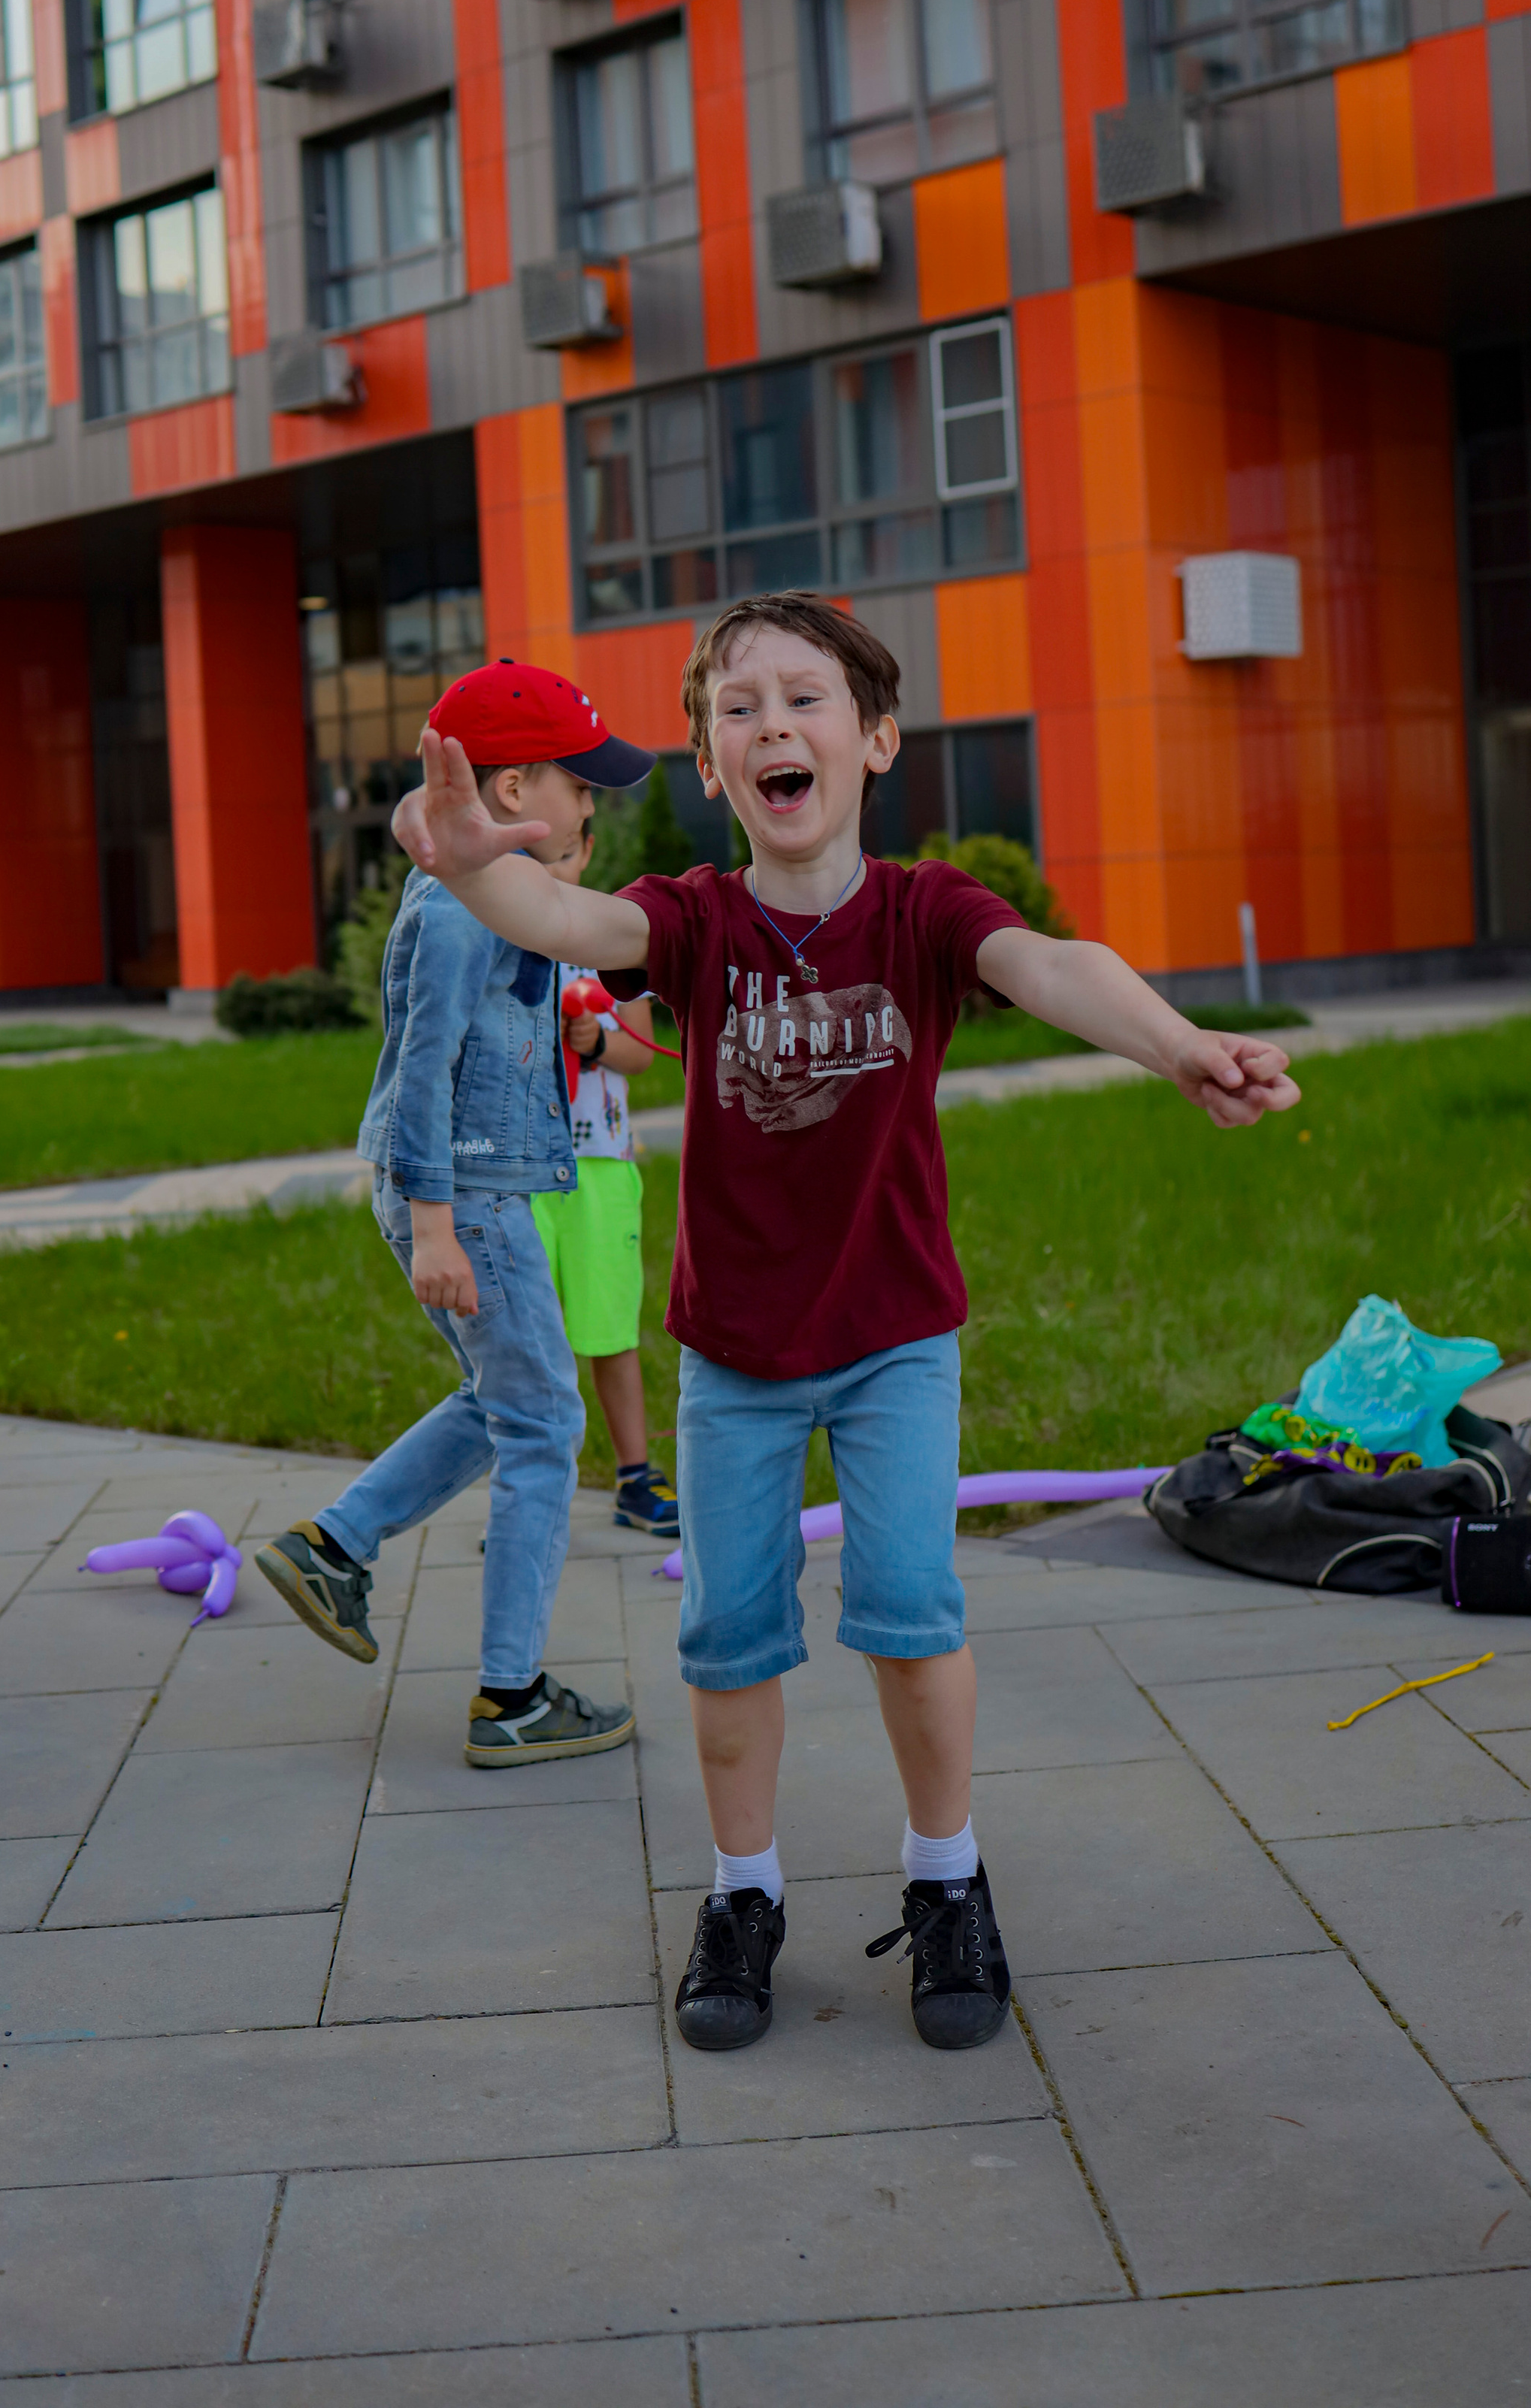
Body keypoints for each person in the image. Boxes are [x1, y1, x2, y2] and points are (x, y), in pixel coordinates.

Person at [394, 591, 1300, 2054]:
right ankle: (740, 1898)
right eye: (738, 708)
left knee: (905, 1613)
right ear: (708, 764)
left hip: (892, 1338)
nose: (772, 726)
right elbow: (562, 917)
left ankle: (946, 1880)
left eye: (802, 698)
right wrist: (468, 869)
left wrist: (1176, 1045)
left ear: (871, 739)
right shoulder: (689, 920)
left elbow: (1051, 966)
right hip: (736, 1355)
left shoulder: (924, 911)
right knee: (728, 1638)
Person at [254, 660, 658, 1767]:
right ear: (518, 790)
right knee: (542, 1421)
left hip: (477, 1187)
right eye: (583, 785)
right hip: (463, 1194)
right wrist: (435, 1226)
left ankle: (335, 1545)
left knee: (505, 1399)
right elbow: (421, 1067)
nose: (593, 806)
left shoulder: (489, 894)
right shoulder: (455, 911)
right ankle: (511, 1695)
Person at [531, 822, 676, 1536]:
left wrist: (597, 1041)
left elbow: (645, 1052)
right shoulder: (501, 941)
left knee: (610, 1328)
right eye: (535, 860)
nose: (551, 872)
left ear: (587, 851)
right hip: (522, 1169)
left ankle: (634, 1477)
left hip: (600, 1165)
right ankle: (530, 1493)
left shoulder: (610, 940)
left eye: (562, 856)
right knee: (530, 1340)